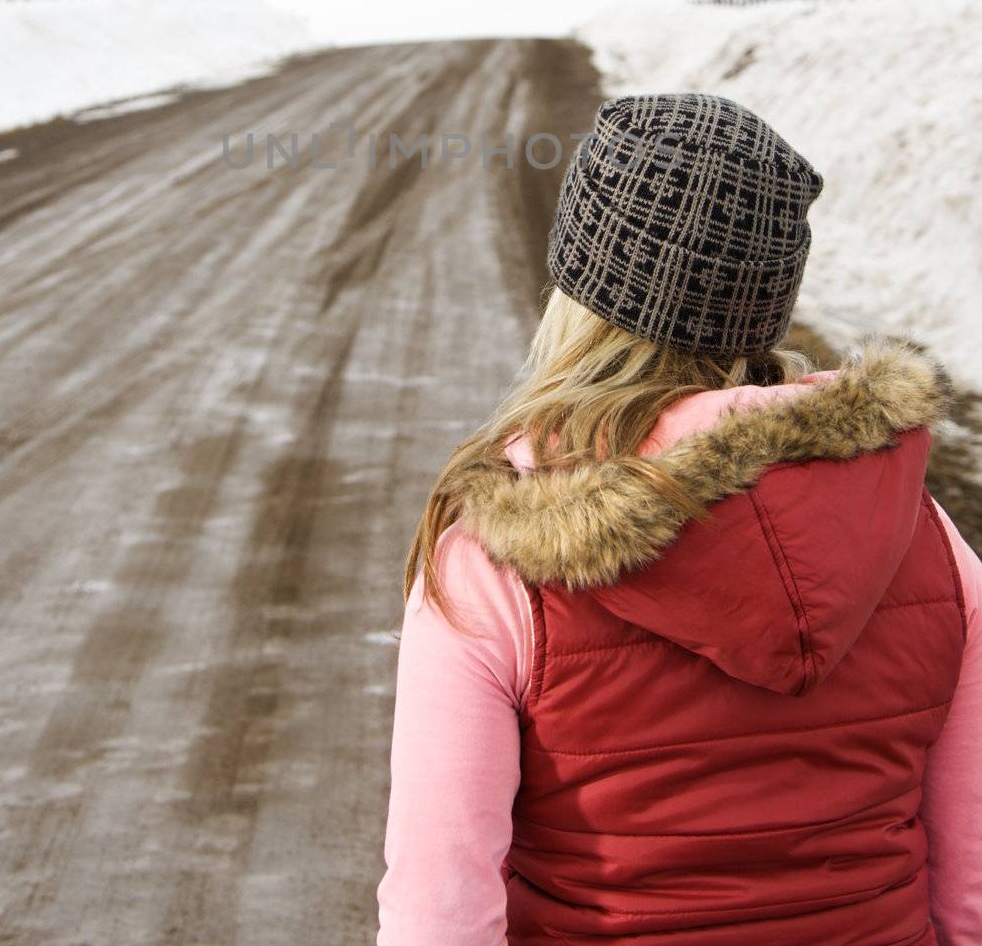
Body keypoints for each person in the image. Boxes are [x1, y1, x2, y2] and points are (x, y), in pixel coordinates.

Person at [375, 92, 982, 946]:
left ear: (577, 292)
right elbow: (969, 885)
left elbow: (440, 914)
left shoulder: (493, 562)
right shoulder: (918, 533)